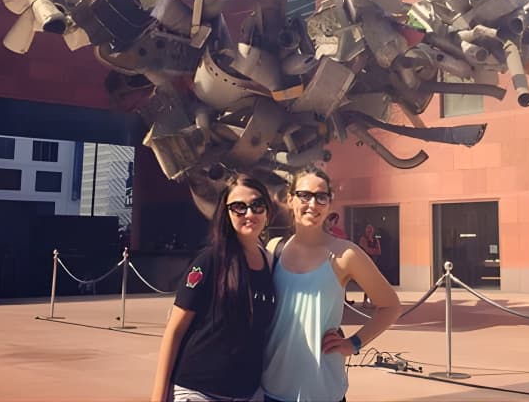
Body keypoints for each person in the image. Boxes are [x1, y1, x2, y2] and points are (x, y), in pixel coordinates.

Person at [262, 165, 401, 402]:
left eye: (321, 197)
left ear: (329, 203)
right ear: (290, 199)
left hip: (322, 391)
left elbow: (391, 306)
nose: (312, 204)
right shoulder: (274, 248)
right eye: (304, 195)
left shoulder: (345, 254)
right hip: (272, 388)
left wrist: (354, 343)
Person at [151, 175, 276, 402]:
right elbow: (175, 330)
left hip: (248, 393)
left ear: (267, 210)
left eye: (257, 205)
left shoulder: (270, 262)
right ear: (226, 213)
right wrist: (158, 397)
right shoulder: (210, 260)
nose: (249, 214)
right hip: (199, 391)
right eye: (239, 207)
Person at [358, 223, 382, 307]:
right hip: (365, 263)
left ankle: (372, 299)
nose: (369, 230)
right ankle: (365, 301)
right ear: (365, 230)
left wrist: (372, 250)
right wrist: (373, 250)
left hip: (374, 263)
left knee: (373, 282)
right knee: (367, 282)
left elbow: (379, 252)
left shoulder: (376, 240)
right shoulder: (363, 239)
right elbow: (367, 250)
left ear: (373, 230)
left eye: (371, 229)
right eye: (368, 228)